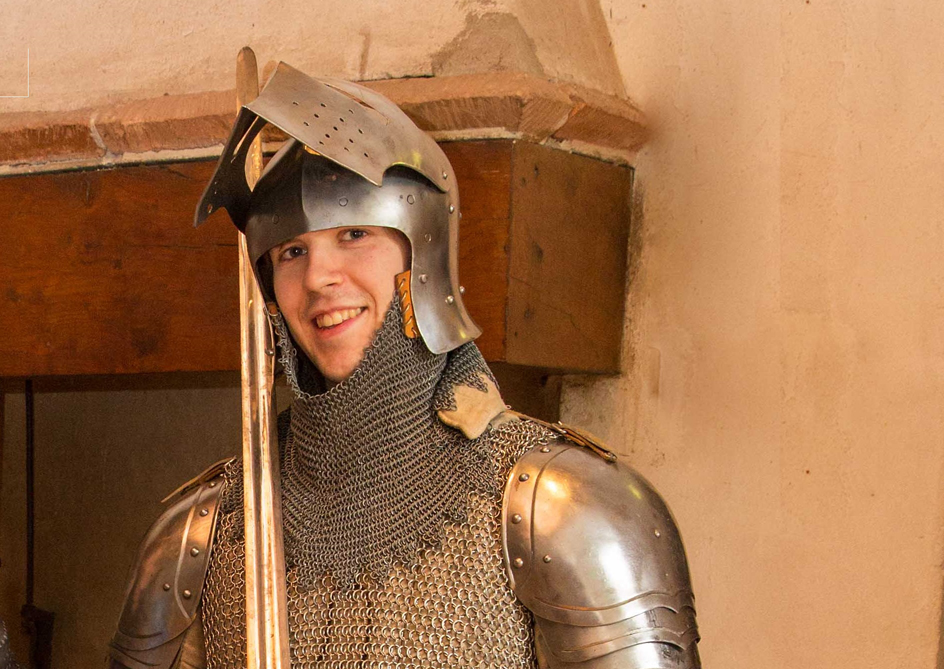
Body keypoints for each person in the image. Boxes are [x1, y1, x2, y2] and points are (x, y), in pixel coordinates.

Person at [107, 62, 701, 669]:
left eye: (354, 235)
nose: (318, 278)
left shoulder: (559, 510)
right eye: (292, 251)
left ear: (422, 257)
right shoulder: (206, 533)